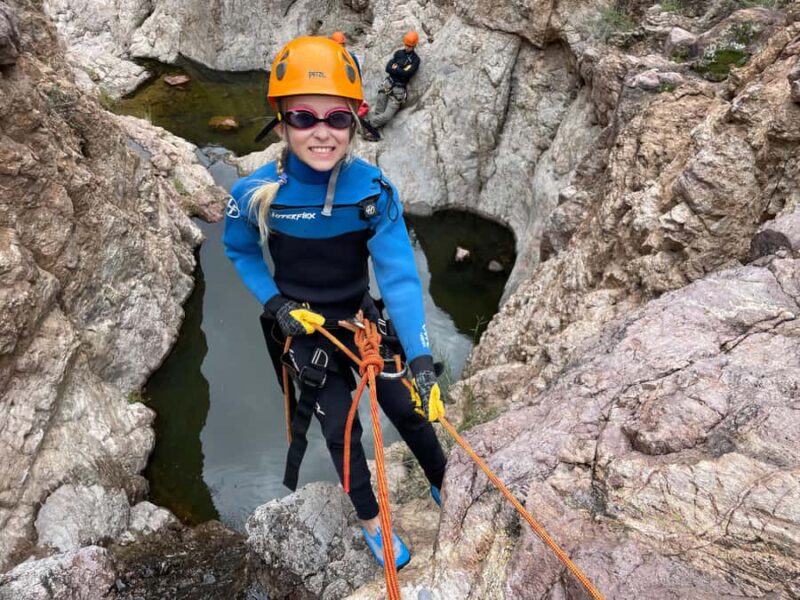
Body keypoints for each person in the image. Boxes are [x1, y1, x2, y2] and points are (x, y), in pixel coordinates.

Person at [223, 36, 447, 569]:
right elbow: (239, 251)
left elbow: (397, 275)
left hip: (361, 320)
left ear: (355, 123)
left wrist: (418, 359)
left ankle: (444, 482)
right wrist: (276, 304)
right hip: (304, 332)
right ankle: (373, 522)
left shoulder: (372, 190)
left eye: (337, 118)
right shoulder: (256, 193)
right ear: (281, 123)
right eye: (303, 117)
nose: (321, 132)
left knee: (408, 411)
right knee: (342, 430)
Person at [363, 31, 421, 138]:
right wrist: (400, 70)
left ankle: (367, 124)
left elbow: (407, 74)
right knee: (378, 111)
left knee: (386, 116)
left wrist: (397, 69)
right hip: (387, 84)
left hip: (399, 91)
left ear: (414, 45)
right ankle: (371, 132)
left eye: (410, 46)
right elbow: (388, 68)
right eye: (406, 45)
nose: (407, 47)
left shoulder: (415, 60)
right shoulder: (398, 53)